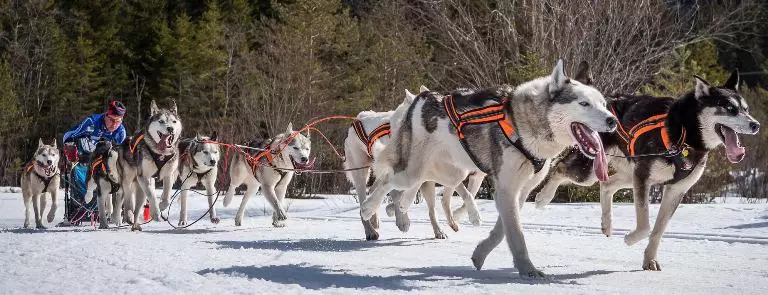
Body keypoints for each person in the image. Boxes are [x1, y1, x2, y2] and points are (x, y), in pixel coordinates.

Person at [61, 101, 127, 225]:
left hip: (104, 162)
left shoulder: (120, 131)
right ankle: (78, 211)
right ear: (106, 115)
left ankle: (114, 212)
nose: (114, 125)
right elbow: (68, 136)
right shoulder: (91, 123)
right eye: (112, 120)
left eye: (118, 121)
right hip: (83, 158)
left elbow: (122, 151)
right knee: (81, 179)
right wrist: (69, 146)